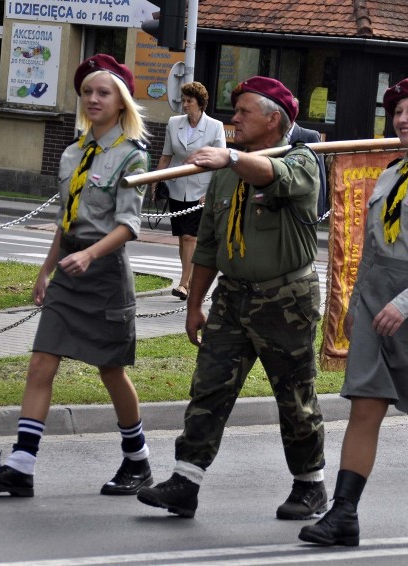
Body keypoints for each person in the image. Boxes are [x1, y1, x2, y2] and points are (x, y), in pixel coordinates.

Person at [136, 76, 327, 519]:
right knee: (209, 388)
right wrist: (194, 303)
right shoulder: (224, 171)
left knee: (295, 397)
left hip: (285, 299)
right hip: (232, 299)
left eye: (243, 112)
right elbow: (207, 244)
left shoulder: (302, 161)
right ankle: (185, 481)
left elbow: (272, 174)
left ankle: (310, 485)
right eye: (234, 111)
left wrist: (232, 156)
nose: (234, 118)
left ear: (272, 119)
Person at [299, 78, 408, 547]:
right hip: (377, 304)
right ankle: (343, 515)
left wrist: (406, 302)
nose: (401, 119)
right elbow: (372, 250)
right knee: (365, 406)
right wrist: (357, 303)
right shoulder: (390, 173)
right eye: (396, 112)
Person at [0, 54, 153, 497]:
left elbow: (129, 226)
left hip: (105, 275)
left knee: (111, 371)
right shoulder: (73, 152)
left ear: (121, 102)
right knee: (41, 362)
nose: (93, 98)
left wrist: (90, 255)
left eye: (103, 92)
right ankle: (21, 465)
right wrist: (44, 271)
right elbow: (64, 221)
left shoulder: (132, 157)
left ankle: (138, 461)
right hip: (70, 274)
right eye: (87, 92)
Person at [152, 82, 227, 300]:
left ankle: (184, 283)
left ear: (200, 103)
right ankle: (190, 281)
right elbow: (166, 156)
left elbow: (220, 162)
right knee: (182, 238)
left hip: (201, 191)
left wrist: (211, 191)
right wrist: (154, 182)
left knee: (189, 238)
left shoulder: (215, 126)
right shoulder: (174, 123)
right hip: (176, 189)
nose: (184, 105)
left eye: (189, 101)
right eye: (183, 100)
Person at [287, 98, 328, 218]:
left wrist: (319, 210)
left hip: (304, 207)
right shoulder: (273, 135)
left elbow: (320, 174)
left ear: (297, 111)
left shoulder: (310, 136)